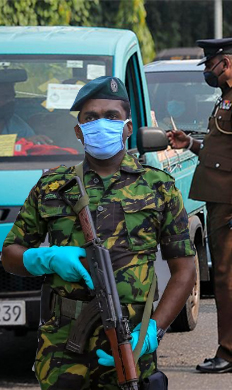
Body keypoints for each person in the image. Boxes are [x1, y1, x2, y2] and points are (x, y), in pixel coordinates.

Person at [2, 76, 197, 389]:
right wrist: (47, 258)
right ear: (79, 131)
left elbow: (185, 269)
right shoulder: (53, 186)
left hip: (130, 344)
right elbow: (10, 255)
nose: (101, 124)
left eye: (112, 116)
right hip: (63, 347)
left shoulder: (159, 186)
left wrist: (152, 331)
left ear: (128, 127)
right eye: (90, 118)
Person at [167, 37, 232, 373]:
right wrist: (192, 144)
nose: (207, 71)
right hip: (220, 200)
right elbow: (222, 152)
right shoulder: (227, 97)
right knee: (225, 278)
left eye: (209, 65)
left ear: (225, 62)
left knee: (230, 280)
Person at [0, 69, 52, 144]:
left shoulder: (15, 122)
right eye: (5, 97)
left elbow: (31, 141)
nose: (11, 101)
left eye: (13, 97)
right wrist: (21, 141)